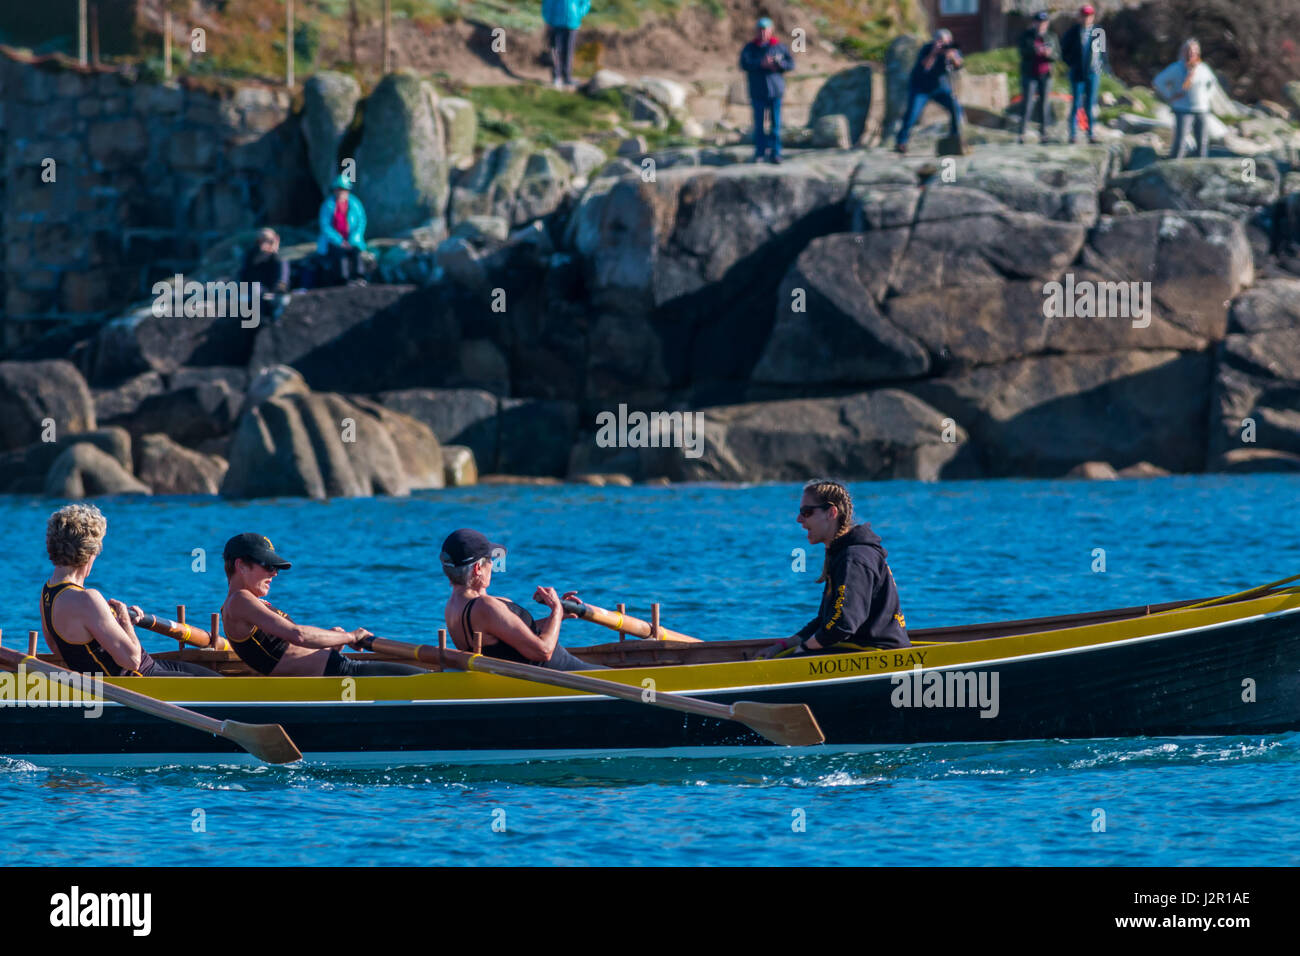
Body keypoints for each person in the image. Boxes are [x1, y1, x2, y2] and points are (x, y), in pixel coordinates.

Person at [40, 504, 218, 677]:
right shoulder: (87, 599)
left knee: (214, 678)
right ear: (91, 552)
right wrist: (125, 620)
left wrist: (113, 625)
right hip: (138, 681)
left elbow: (58, 647)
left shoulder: (47, 593)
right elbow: (132, 660)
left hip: (148, 669)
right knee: (217, 684)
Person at [220, 533, 424, 677]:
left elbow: (289, 646)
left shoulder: (249, 603)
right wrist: (351, 636)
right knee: (422, 679)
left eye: (276, 568)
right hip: (342, 673)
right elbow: (297, 634)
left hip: (337, 670)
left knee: (420, 676)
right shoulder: (239, 600)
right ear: (241, 566)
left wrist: (331, 638)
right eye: (267, 566)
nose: (274, 573)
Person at [761, 479, 909, 658]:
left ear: (831, 513)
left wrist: (804, 650)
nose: (799, 519)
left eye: (806, 512)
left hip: (876, 653)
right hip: (855, 648)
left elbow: (842, 625)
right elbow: (825, 622)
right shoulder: (842, 554)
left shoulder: (854, 558)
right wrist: (783, 646)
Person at [441, 529, 606, 671]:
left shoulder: (453, 606)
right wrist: (556, 608)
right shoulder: (485, 606)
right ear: (478, 568)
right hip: (564, 676)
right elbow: (543, 651)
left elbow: (511, 635)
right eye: (490, 560)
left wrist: (556, 617)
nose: (493, 565)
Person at [894, 29, 964, 155]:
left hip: (939, 87)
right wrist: (934, 53)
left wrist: (952, 56)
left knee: (956, 108)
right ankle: (901, 142)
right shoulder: (927, 48)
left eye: (947, 41)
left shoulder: (952, 49)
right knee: (912, 114)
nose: (944, 44)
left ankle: (955, 137)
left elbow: (959, 65)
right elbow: (925, 67)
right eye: (941, 41)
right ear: (936, 41)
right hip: (920, 88)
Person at [739, 17, 795, 165]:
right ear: (757, 31)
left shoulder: (779, 47)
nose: (763, 32)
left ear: (771, 30)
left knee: (775, 125)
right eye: (761, 29)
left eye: (766, 29)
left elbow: (790, 64)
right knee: (759, 126)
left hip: (775, 92)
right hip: (758, 91)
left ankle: (776, 153)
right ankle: (760, 153)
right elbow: (744, 64)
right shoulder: (750, 48)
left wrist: (778, 63)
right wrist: (761, 63)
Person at [1154, 39, 1216, 158]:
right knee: (1181, 141)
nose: (1191, 54)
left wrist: (1207, 98)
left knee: (1202, 141)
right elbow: (1158, 81)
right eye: (1188, 51)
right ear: (1183, 52)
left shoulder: (1203, 68)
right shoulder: (1176, 68)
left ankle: (1201, 166)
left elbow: (1212, 83)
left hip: (1201, 109)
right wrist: (1170, 96)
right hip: (1182, 109)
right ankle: (1175, 164)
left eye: (1194, 51)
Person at [1061, 4, 1103, 144]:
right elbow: (1064, 51)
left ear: (1093, 17)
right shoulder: (1072, 32)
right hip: (1077, 72)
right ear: (1079, 17)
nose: (1086, 18)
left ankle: (1091, 133)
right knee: (1076, 104)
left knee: (1091, 104)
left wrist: (1101, 68)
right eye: (1084, 15)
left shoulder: (1098, 32)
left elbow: (1102, 54)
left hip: (1092, 73)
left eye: (1089, 15)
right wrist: (1072, 64)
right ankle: (1073, 134)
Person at [317, 174, 367, 285]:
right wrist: (339, 241)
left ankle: (359, 277)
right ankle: (344, 280)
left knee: (356, 251)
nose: (341, 192)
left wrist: (353, 239)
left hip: (352, 240)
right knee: (340, 254)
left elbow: (361, 222)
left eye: (343, 189)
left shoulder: (354, 203)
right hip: (334, 241)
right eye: (338, 189)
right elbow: (325, 226)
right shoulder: (328, 205)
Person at [1018, 11, 1060, 143]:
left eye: (1044, 22)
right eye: (1039, 22)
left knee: (1044, 104)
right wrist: (1035, 50)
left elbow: (1058, 55)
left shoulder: (1052, 37)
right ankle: (1022, 132)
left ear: (1047, 24)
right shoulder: (1027, 36)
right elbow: (1022, 52)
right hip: (1030, 74)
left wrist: (1049, 54)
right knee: (1028, 103)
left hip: (1045, 75)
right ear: (1034, 22)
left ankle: (1044, 133)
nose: (1041, 25)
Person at [238, 227, 291, 322]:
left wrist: (279, 287)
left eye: (268, 241)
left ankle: (273, 316)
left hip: (273, 290)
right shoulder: (251, 255)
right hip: (254, 290)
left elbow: (283, 275)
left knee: (281, 298)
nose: (265, 244)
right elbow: (244, 275)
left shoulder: (278, 257)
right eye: (262, 241)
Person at [542, 0, 590, 89]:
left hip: (572, 22)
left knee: (569, 51)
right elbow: (548, 3)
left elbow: (585, 2)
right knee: (556, 50)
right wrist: (548, 20)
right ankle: (557, 76)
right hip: (556, 23)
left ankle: (567, 76)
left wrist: (579, 14)